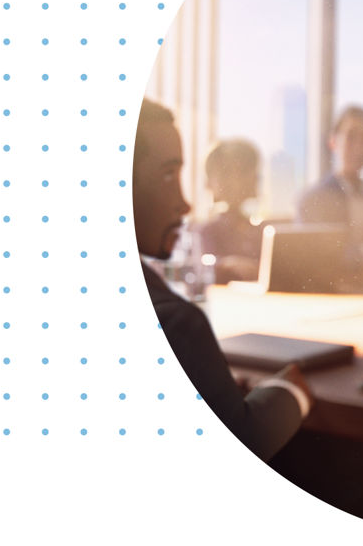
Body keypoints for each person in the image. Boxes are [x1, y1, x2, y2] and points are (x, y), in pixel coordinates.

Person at [134, 99, 312, 460]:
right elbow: (243, 439)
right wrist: (289, 390)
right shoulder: (176, 323)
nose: (185, 204)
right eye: (168, 175)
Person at [296, 105, 363, 283]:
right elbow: (312, 255)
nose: (358, 147)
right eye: (351, 136)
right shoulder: (313, 199)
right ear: (333, 142)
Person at [196, 138, 264, 283]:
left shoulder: (260, 230)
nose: (237, 182)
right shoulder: (206, 230)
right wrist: (228, 265)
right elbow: (201, 264)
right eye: (226, 174)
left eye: (244, 172)